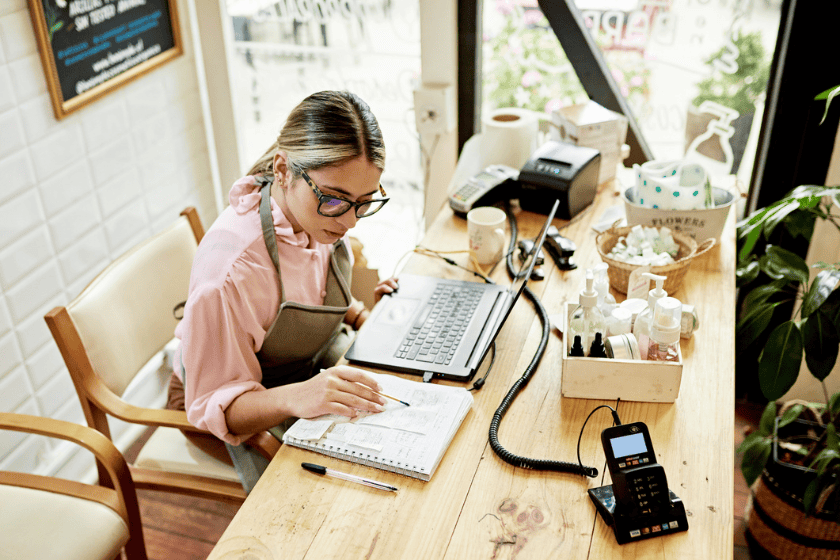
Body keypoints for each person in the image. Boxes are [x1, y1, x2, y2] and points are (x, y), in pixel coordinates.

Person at [168, 90, 399, 491]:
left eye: (364, 203)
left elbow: (305, 291)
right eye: (335, 200)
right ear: (282, 168)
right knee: (333, 492)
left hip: (303, 371)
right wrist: (297, 397)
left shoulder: (315, 214)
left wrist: (363, 315)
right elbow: (213, 403)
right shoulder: (232, 271)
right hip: (228, 404)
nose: (350, 223)